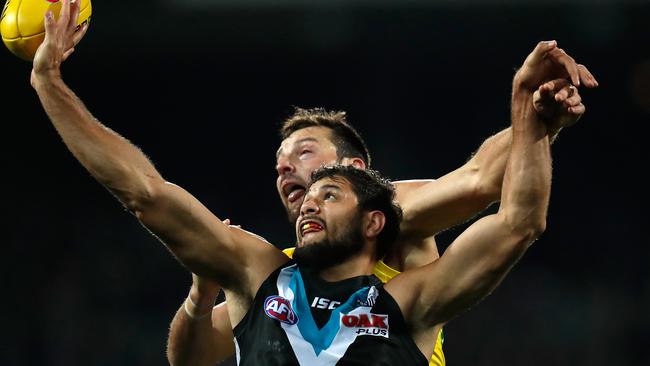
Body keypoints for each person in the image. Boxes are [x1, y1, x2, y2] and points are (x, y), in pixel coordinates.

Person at [30, 1, 597, 364]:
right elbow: (146, 196)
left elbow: (488, 189)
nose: (285, 170)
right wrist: (200, 293)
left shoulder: (400, 223)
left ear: (361, 183)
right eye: (280, 163)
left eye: (306, 155)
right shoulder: (264, 273)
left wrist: (533, 118)